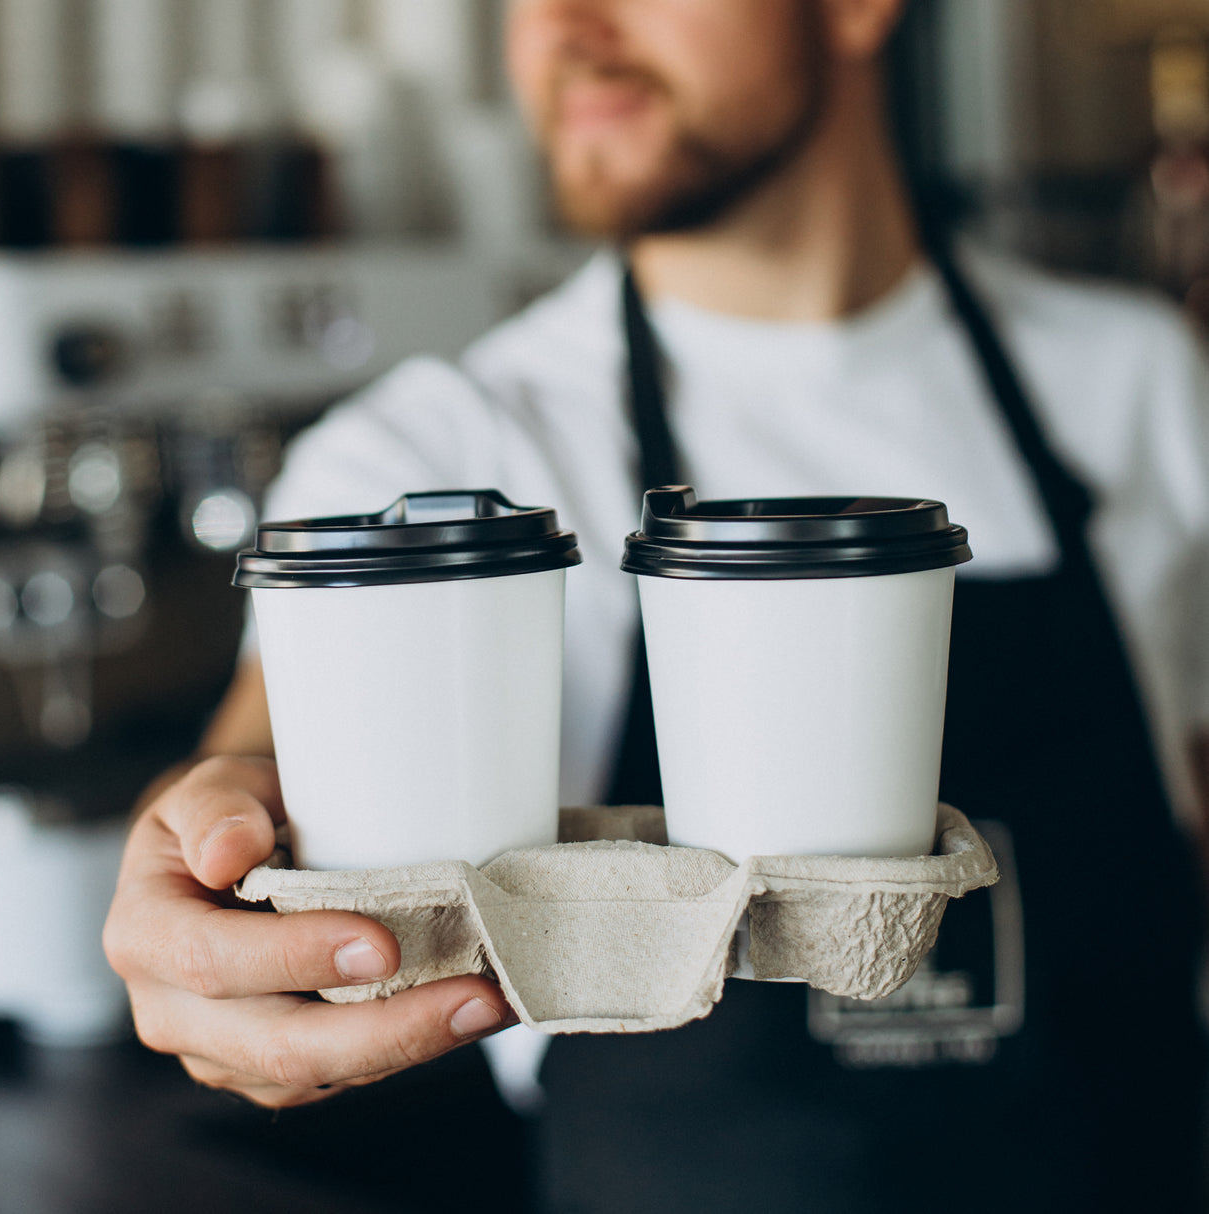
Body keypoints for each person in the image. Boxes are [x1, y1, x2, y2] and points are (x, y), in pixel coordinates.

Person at [104, 0, 1209, 1210]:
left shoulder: (1138, 383)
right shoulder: (441, 452)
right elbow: (262, 762)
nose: (560, 30)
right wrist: (206, 886)